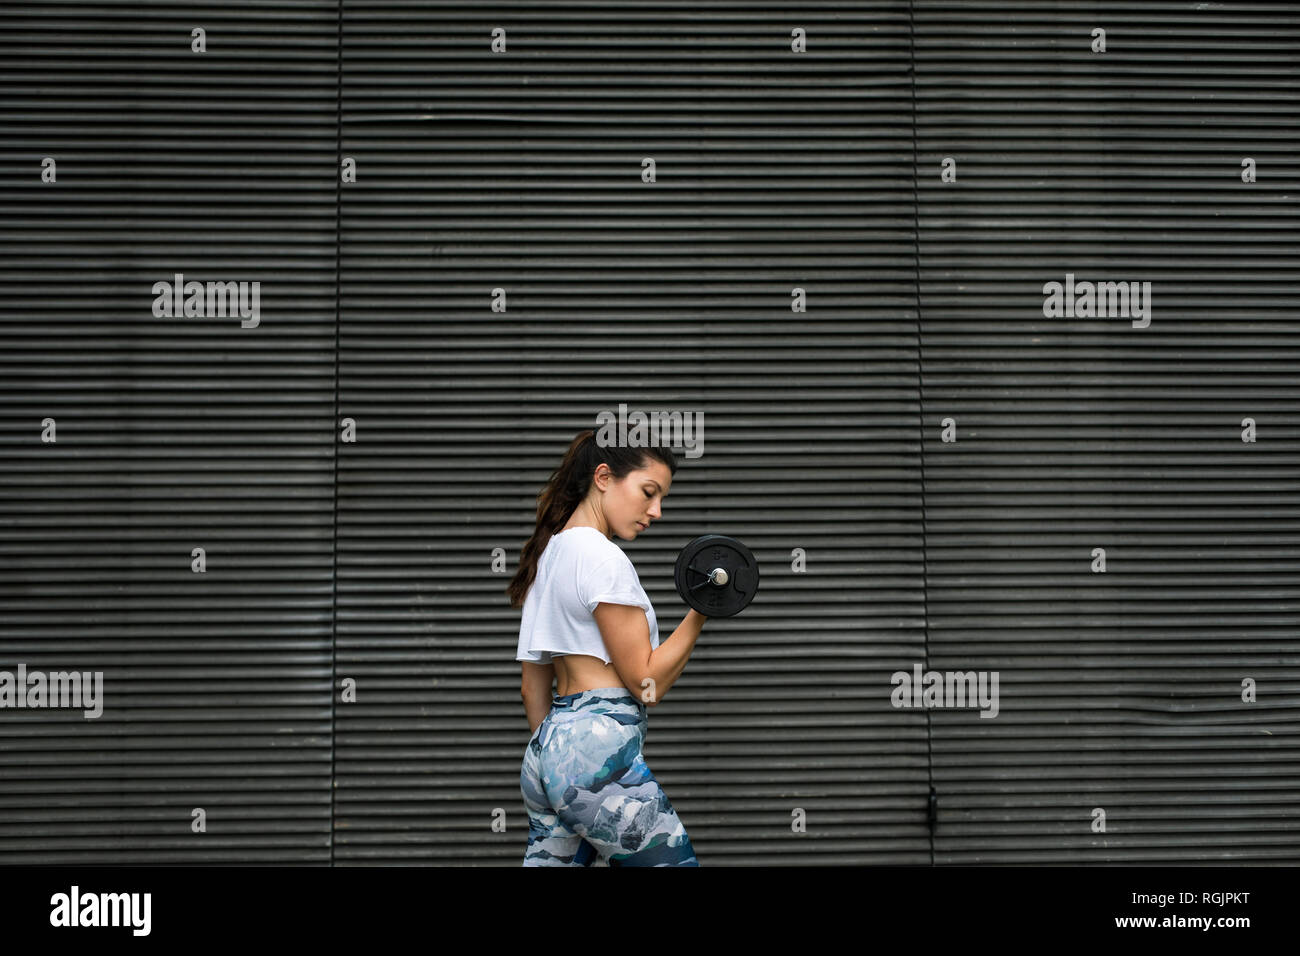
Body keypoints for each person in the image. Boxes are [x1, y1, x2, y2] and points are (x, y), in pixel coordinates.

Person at [506, 428, 707, 866]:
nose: (656, 511)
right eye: (648, 492)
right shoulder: (601, 556)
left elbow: (531, 689)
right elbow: (645, 681)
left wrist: (559, 762)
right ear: (603, 477)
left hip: (547, 754)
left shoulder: (550, 554)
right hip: (594, 754)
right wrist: (701, 610)